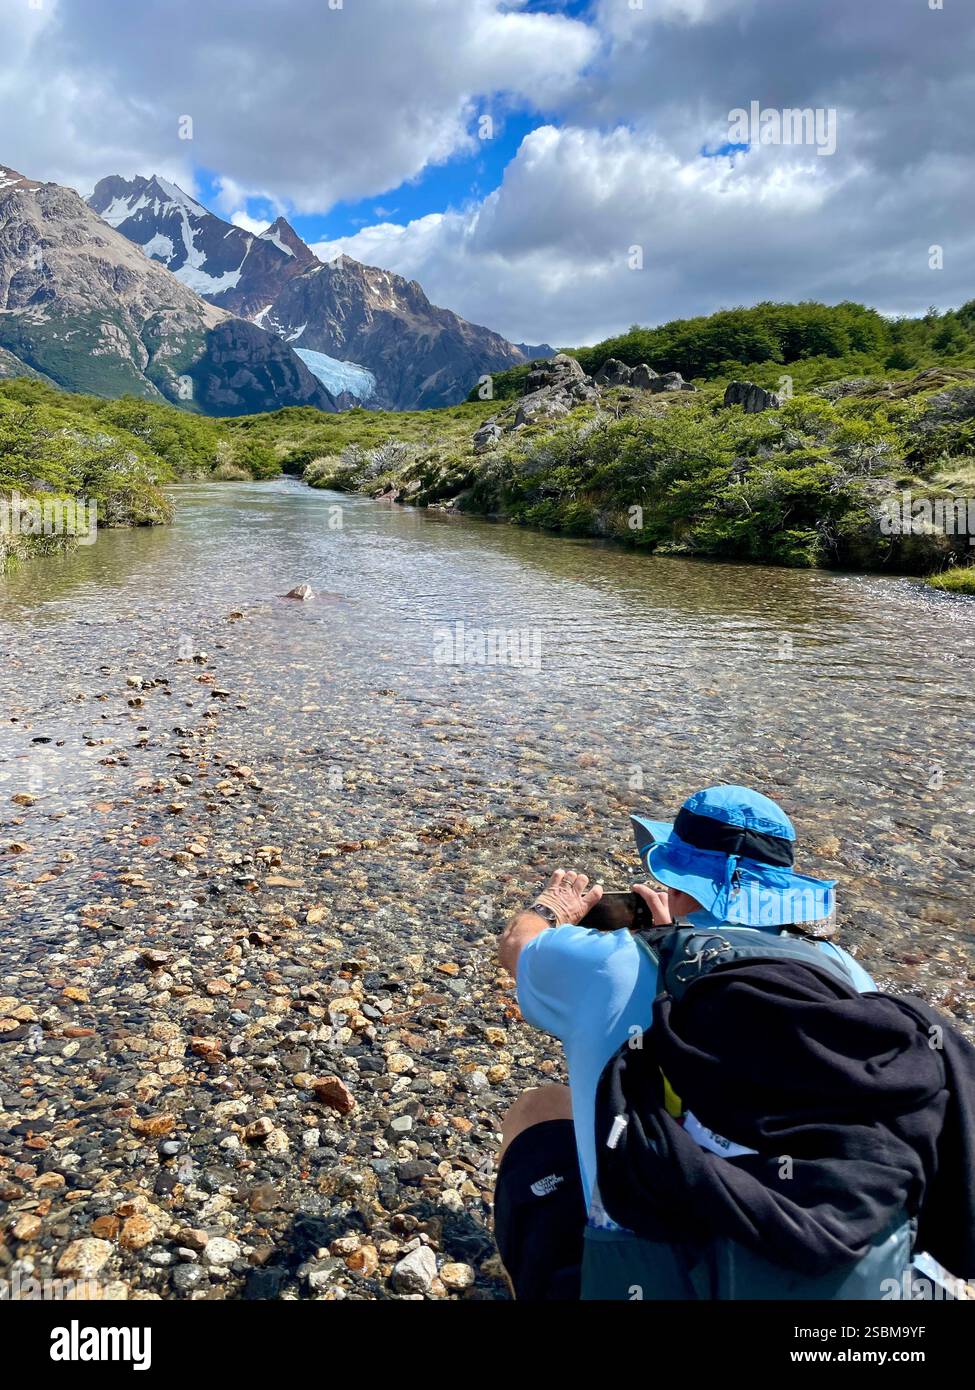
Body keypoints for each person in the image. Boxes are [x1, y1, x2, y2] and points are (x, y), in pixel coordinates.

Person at [493, 784, 975, 1300]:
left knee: (540, 1108)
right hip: (833, 1268)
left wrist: (551, 908)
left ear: (677, 885)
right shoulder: (850, 979)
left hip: (649, 1279)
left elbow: (518, 945)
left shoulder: (611, 962)